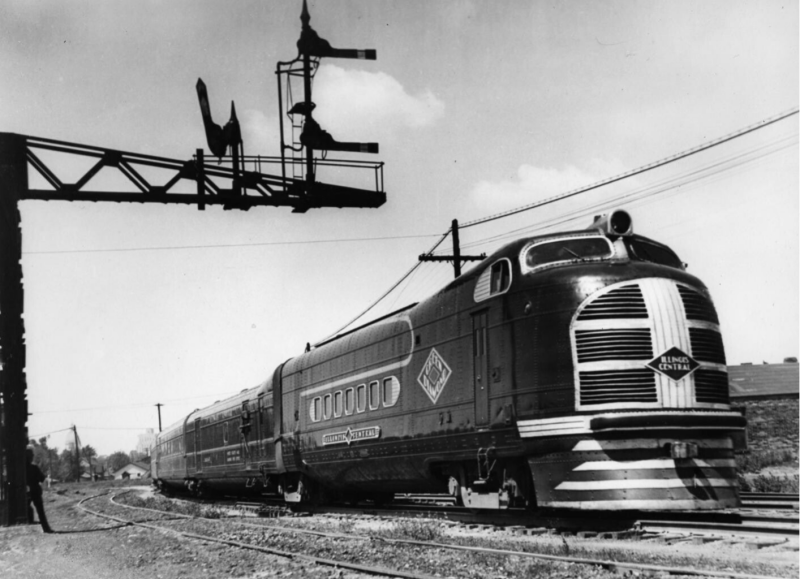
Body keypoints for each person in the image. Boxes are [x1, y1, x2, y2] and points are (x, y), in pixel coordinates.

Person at [26, 447, 53, 533]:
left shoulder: (20, 469)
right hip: (35, 491)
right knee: (40, 512)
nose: (33, 457)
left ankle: (29, 522)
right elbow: (42, 479)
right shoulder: (34, 468)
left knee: (26, 507)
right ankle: (46, 529)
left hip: (25, 492)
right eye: (32, 455)